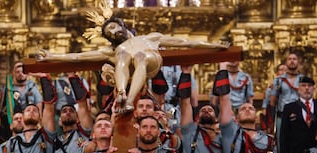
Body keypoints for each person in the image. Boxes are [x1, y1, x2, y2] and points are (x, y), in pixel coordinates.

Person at [37, 16, 227, 113]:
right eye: (108, 33)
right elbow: (78, 57)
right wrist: (51, 56)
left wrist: (214, 46)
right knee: (122, 53)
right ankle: (122, 95)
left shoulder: (150, 38)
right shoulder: (114, 50)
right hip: (127, 67)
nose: (111, 33)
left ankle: (128, 101)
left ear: (121, 25)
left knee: (139, 57)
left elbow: (186, 43)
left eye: (112, 27)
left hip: (149, 60)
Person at [269, 52, 303, 153]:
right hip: (282, 117)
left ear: (298, 62)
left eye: (295, 59)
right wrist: (271, 123)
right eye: (289, 59)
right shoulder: (278, 80)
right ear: (286, 62)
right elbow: (272, 102)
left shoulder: (303, 80)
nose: (292, 61)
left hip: (299, 118)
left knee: (299, 145)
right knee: (283, 147)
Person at [261, 63, 287, 131]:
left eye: (285, 70)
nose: (283, 72)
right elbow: (267, 95)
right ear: (277, 72)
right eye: (281, 70)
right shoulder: (274, 84)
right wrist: (264, 108)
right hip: (274, 110)